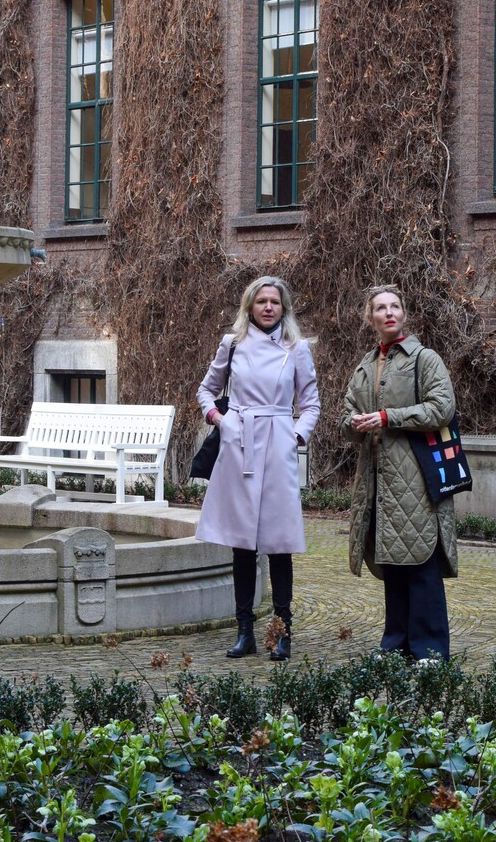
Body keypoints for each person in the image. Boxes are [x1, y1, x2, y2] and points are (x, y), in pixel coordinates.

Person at [196, 276, 321, 661]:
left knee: (279, 543)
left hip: (278, 447)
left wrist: (295, 437)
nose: (268, 307)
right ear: (249, 306)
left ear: (284, 308)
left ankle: (283, 630)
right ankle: (245, 630)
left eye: (275, 302)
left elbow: (312, 403)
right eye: (261, 301)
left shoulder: (296, 349)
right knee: (242, 544)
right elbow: (205, 389)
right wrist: (221, 419)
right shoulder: (231, 345)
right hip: (240, 446)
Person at [341, 285, 457, 663]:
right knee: (392, 560)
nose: (389, 313)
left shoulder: (425, 359)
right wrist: (354, 424)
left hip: (415, 474)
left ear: (404, 314)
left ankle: (431, 648)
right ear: (370, 317)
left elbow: (442, 408)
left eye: (395, 306)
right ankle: (396, 644)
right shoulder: (364, 365)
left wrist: (391, 417)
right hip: (375, 476)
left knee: (421, 559)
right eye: (380, 308)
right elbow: (347, 414)